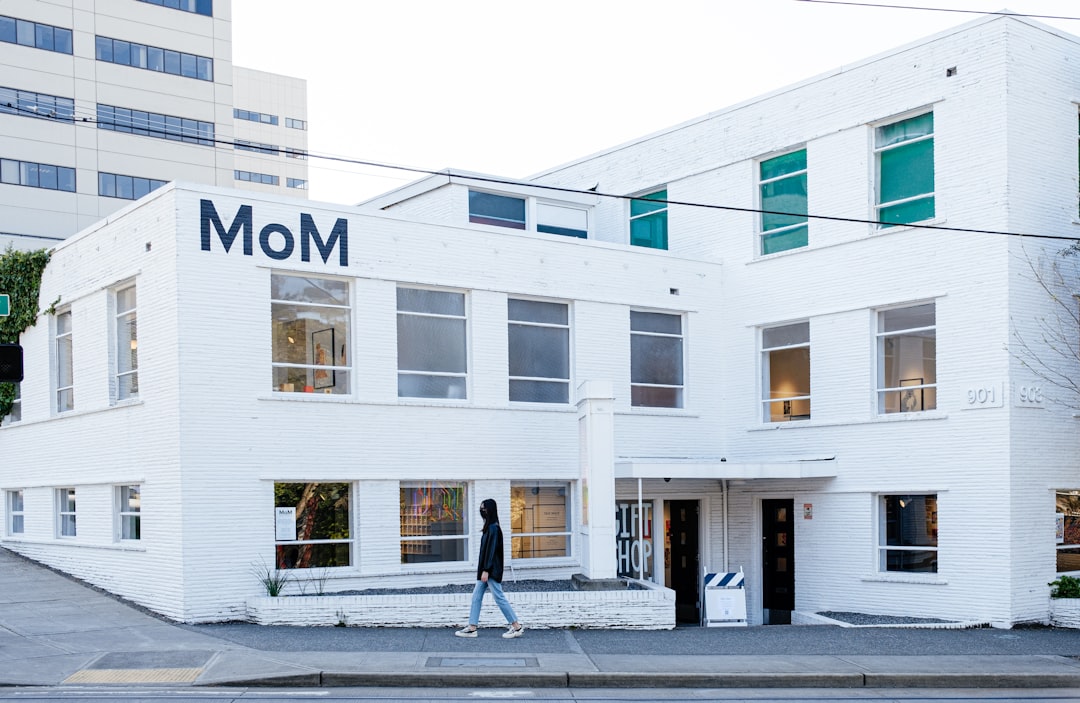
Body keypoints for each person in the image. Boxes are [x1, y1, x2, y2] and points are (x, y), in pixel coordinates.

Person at [455, 498, 524, 639]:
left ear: (490, 510)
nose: (482, 511)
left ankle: (516, 626)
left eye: (484, 509)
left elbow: (492, 551)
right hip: (485, 571)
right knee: (476, 597)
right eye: (481, 508)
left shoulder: (493, 528)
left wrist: (486, 570)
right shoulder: (490, 527)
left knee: (498, 597)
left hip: (490, 570)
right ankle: (472, 628)